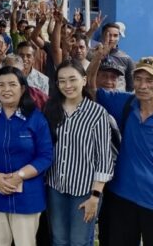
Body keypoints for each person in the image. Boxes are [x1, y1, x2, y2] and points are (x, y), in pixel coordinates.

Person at [87, 52, 153, 246]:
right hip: (122, 197)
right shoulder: (124, 103)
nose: (143, 86)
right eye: (138, 79)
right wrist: (96, 61)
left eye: (150, 80)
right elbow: (91, 89)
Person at [0, 66, 53, 246]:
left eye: (12, 84)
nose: (6, 89)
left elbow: (45, 156)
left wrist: (19, 176)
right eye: (0, 85)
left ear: (22, 88)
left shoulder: (36, 118)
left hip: (27, 195)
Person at [43, 60, 113, 246]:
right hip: (55, 186)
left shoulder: (97, 113)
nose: (68, 85)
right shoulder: (50, 109)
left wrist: (95, 196)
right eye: (62, 81)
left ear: (84, 80)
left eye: (72, 79)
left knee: (79, 241)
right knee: (58, 239)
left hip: (85, 190)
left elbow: (105, 158)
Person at [96, 23, 134, 91]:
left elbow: (131, 87)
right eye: (108, 35)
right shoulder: (92, 55)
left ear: (119, 37)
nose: (111, 38)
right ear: (102, 35)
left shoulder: (126, 59)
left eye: (115, 36)